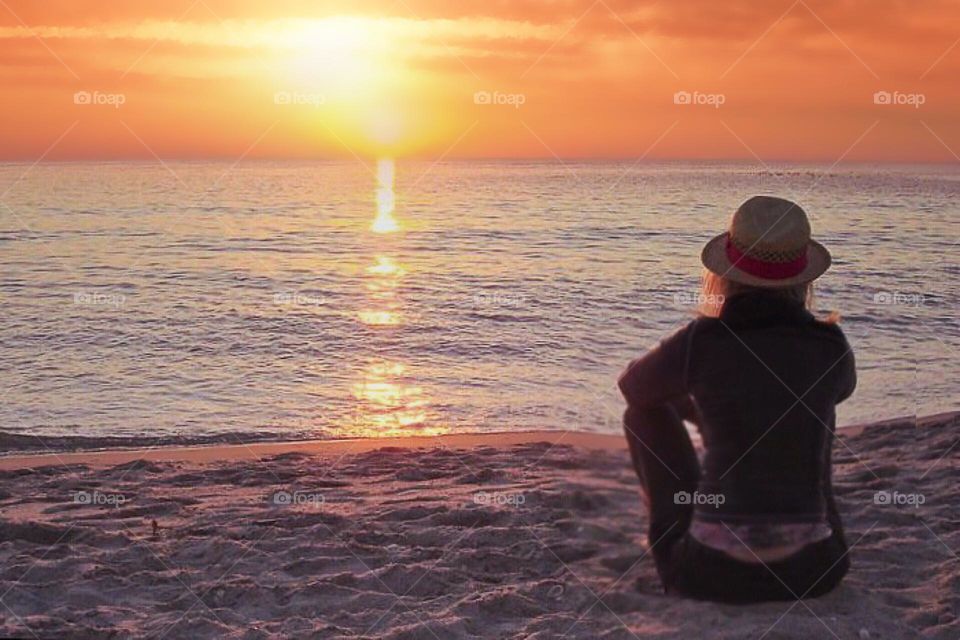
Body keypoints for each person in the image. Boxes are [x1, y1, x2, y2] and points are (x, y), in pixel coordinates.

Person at [619, 195, 856, 603]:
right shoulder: (829, 344)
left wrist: (698, 406)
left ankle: (685, 528)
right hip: (815, 571)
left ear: (727, 272)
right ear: (802, 278)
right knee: (814, 406)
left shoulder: (702, 341)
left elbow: (634, 388)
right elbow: (843, 388)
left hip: (709, 574)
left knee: (642, 416)